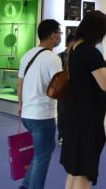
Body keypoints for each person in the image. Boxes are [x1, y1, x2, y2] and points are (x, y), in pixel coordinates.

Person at [61, 11, 106, 189]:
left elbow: (86, 70)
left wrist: (102, 63)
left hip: (74, 114)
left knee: (74, 169)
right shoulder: (90, 51)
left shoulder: (75, 48)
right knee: (85, 171)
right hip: (87, 119)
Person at [16, 20, 63, 189]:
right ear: (52, 35)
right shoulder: (53, 58)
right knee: (42, 157)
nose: (60, 37)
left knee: (40, 154)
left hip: (27, 114)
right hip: (42, 116)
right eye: (59, 33)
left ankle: (25, 185)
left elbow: (19, 84)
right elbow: (59, 87)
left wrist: (20, 105)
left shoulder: (27, 55)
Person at [57, 32, 75, 144]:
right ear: (69, 43)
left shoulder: (78, 56)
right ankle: (61, 135)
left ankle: (71, 136)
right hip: (63, 89)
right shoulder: (59, 57)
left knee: (73, 113)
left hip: (75, 89)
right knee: (62, 112)